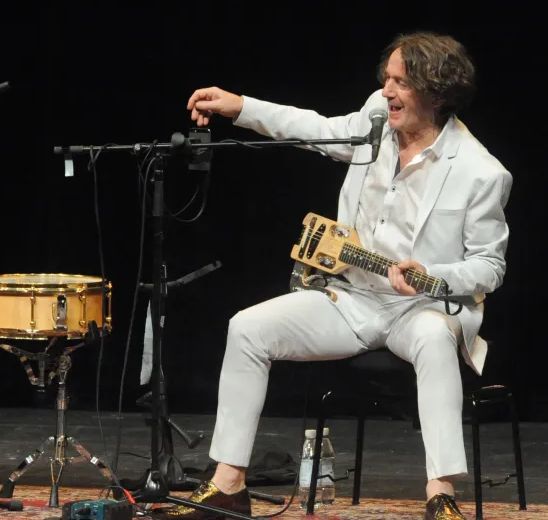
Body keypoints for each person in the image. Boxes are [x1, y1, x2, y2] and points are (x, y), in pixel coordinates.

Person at [159, 32, 511, 520]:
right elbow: (314, 128)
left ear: (437, 92)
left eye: (400, 83)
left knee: (433, 338)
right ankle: (228, 485)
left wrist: (434, 273)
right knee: (247, 328)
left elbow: (489, 267)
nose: (386, 91)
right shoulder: (375, 124)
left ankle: (440, 493)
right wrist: (239, 107)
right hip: (354, 299)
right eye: (386, 79)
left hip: (422, 308)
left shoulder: (479, 171)